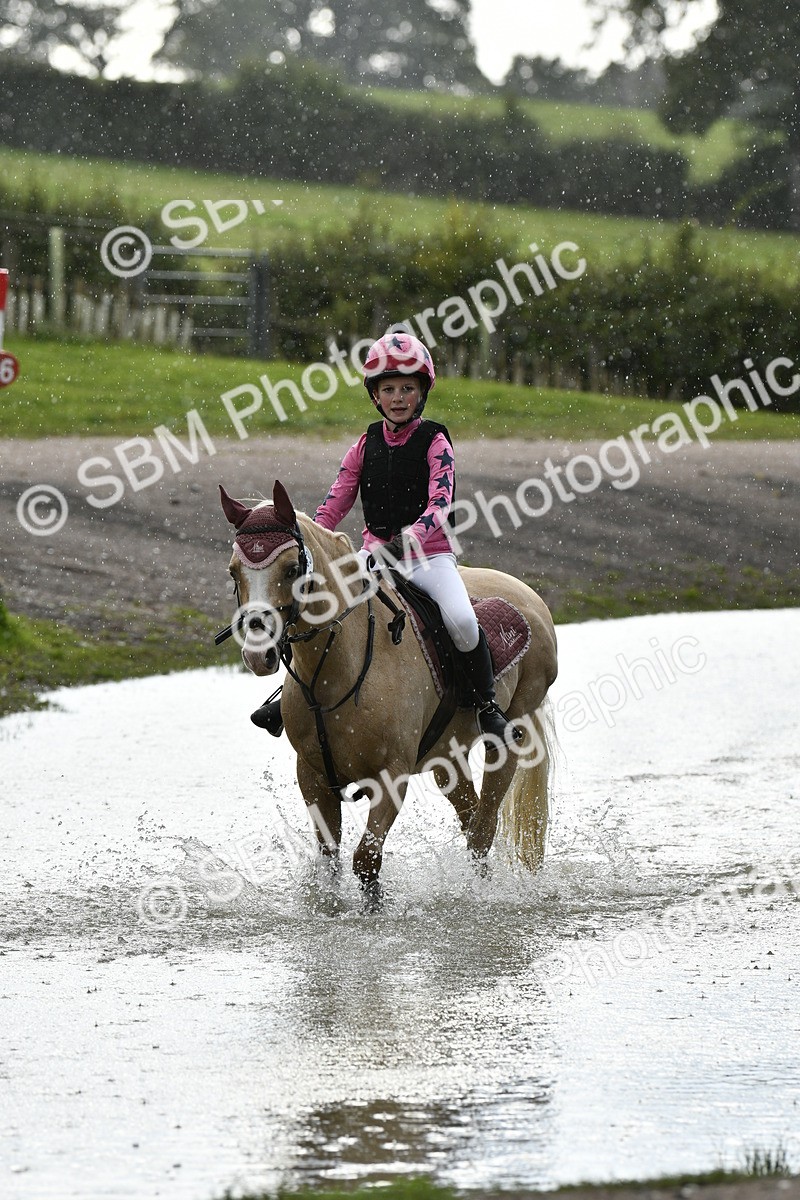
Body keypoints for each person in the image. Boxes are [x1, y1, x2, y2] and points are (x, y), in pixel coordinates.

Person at [251, 331, 519, 744]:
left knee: (464, 621)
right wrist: (310, 538)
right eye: (389, 389)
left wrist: (402, 544)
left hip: (428, 559)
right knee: (316, 606)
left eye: (407, 389)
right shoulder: (363, 446)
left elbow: (440, 505)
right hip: (374, 556)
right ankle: (284, 696)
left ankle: (486, 705)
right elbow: (335, 502)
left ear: (421, 392)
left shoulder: (436, 441)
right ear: (375, 396)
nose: (398, 397)